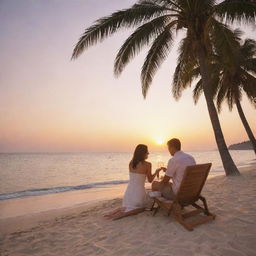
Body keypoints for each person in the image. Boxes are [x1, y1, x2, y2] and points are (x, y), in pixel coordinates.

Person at [105, 144, 161, 220]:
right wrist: (157, 171)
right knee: (143, 208)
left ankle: (118, 211)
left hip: (128, 194)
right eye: (147, 152)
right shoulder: (147, 164)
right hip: (138, 194)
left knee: (128, 206)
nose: (148, 153)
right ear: (143, 153)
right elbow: (150, 180)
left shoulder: (131, 163)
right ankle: (123, 214)